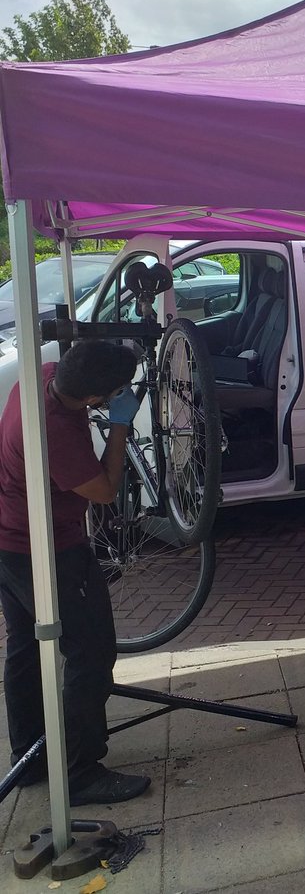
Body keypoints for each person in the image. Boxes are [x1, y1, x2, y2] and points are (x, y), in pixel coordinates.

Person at [0, 339, 152, 805]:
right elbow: (105, 491)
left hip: (7, 537)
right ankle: (81, 774)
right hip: (46, 548)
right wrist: (120, 428)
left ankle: (29, 757)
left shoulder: (43, 375)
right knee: (89, 654)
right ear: (92, 399)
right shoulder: (54, 433)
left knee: (26, 644)